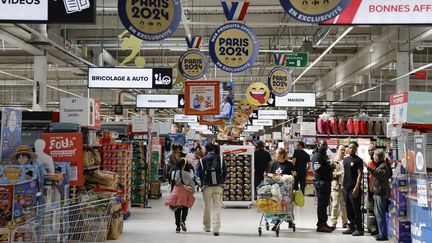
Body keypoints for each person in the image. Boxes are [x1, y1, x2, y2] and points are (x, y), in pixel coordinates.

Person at [196, 142, 227, 236]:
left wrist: (202, 182)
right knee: (217, 206)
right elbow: (225, 172)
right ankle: (216, 228)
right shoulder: (221, 159)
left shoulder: (202, 160)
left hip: (206, 186)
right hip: (218, 186)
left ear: (206, 149)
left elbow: (198, 173)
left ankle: (207, 226)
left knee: (207, 206)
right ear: (214, 149)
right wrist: (222, 182)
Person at [364, 150, 392, 241]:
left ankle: (383, 234)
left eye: (375, 156)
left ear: (378, 157)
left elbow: (378, 174)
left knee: (380, 214)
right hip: (377, 193)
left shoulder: (383, 166)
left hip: (381, 193)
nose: (373, 157)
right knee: (377, 214)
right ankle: (380, 233)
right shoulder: (380, 165)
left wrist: (368, 167)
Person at [165, 158, 196, 233]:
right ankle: (183, 220)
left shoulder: (173, 173)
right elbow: (192, 184)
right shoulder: (186, 173)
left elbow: (171, 182)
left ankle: (178, 226)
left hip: (176, 191)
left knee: (177, 209)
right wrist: (193, 191)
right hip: (184, 191)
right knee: (185, 207)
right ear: (183, 165)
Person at [268, 148, 296, 230]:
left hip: (286, 189)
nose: (275, 155)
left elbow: (293, 175)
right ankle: (276, 223)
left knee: (286, 205)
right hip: (275, 189)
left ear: (282, 155)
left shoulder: (289, 165)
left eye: (276, 153)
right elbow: (269, 174)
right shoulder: (273, 163)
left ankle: (289, 220)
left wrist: (293, 175)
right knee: (276, 206)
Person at [342, 142, 364, 236]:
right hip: (345, 188)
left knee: (356, 209)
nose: (351, 149)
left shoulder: (358, 160)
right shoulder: (345, 160)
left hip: (354, 189)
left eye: (354, 148)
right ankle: (351, 227)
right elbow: (345, 173)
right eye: (350, 148)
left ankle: (359, 229)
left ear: (356, 149)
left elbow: (360, 174)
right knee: (349, 209)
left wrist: (357, 187)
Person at [312, 140, 334, 233]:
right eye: (323, 145)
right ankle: (321, 225)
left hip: (325, 182)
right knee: (322, 204)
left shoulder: (322, 155)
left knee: (324, 204)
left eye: (326, 145)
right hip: (321, 183)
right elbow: (317, 168)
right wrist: (330, 167)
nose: (325, 147)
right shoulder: (317, 155)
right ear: (318, 145)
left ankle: (323, 223)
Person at [330, 145, 348, 229]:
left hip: (345, 186)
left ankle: (345, 222)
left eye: (344, 150)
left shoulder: (347, 160)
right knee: (335, 205)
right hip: (336, 186)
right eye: (341, 150)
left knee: (344, 205)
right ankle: (334, 222)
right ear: (337, 150)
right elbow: (330, 174)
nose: (343, 151)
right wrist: (338, 173)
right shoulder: (333, 161)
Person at [367, 144, 378, 236]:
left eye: (372, 150)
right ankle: (372, 227)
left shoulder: (382, 161)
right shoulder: (370, 162)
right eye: (369, 150)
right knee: (371, 210)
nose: (370, 152)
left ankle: (378, 229)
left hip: (378, 191)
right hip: (371, 190)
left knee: (378, 211)